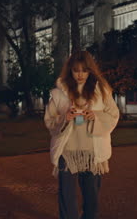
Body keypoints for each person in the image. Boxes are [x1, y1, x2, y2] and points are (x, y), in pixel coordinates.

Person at [44, 51, 119, 219]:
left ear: (90, 70)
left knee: (91, 200)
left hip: (93, 152)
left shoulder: (102, 90)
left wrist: (96, 117)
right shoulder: (59, 93)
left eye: (84, 70)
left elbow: (114, 114)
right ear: (70, 70)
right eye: (76, 70)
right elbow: (49, 121)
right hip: (67, 151)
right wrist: (65, 118)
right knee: (66, 197)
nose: (80, 74)